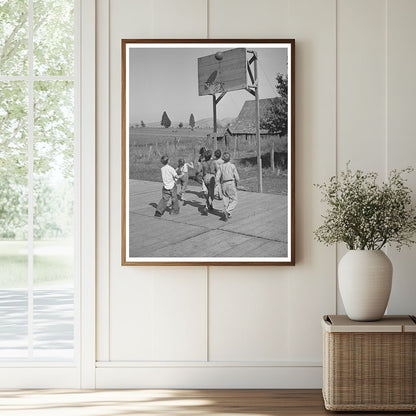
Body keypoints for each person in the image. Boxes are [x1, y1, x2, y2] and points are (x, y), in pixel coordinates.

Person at [215, 151, 240, 221]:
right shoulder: (232, 166)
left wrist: (217, 183)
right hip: (231, 183)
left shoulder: (221, 166)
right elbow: (237, 177)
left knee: (225, 198)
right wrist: (237, 183)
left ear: (223, 159)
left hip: (223, 184)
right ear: (230, 158)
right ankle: (228, 211)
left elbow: (217, 176)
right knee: (234, 199)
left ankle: (228, 213)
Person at [199, 149, 216, 214]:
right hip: (212, 178)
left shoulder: (203, 163)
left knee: (205, 192)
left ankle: (207, 205)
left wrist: (198, 174)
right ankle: (209, 205)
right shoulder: (213, 162)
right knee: (211, 192)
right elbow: (217, 169)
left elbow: (198, 170)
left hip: (205, 178)